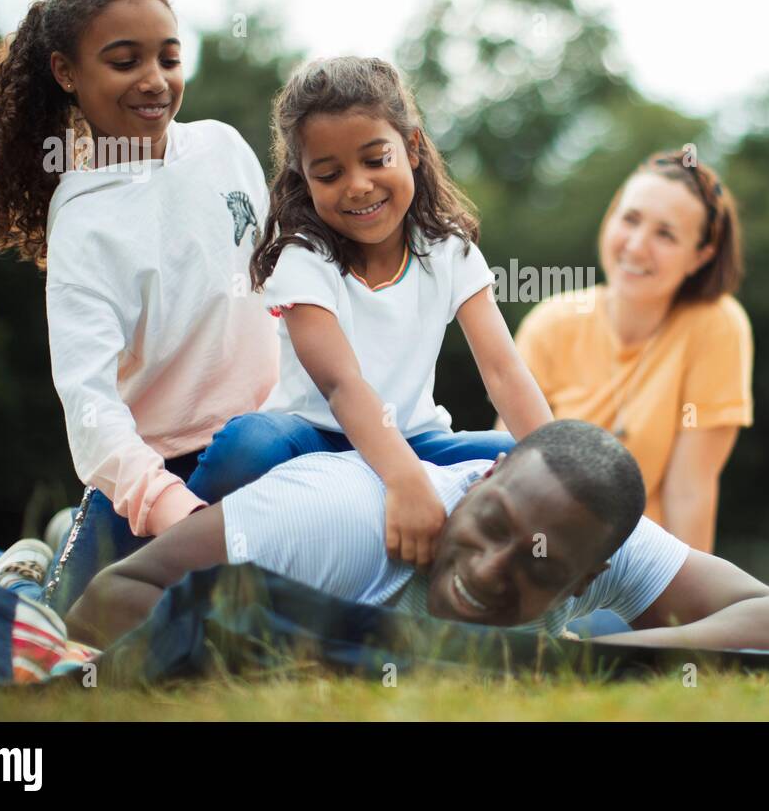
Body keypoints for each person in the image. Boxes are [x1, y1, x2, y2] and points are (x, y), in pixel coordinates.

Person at [0, 0, 279, 615]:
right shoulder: (86, 220)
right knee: (55, 622)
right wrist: (171, 508)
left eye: (169, 57)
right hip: (157, 475)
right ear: (67, 73)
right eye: (125, 61)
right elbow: (89, 404)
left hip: (267, 442)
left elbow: (288, 288)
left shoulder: (224, 149)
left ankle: (65, 534)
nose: (154, 80)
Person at [182, 57, 552, 569]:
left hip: (418, 439)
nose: (357, 186)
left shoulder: (449, 249)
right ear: (303, 177)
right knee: (247, 444)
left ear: (413, 149)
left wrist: (558, 474)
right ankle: (180, 552)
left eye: (376, 160)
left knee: (519, 455)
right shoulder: (304, 257)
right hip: (314, 438)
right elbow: (342, 384)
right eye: (329, 174)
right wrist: (405, 483)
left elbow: (503, 370)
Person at [65, 420, 769, 654]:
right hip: (210, 499)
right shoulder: (338, 521)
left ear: (588, 572)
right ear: (482, 481)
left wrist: (595, 654)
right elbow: (114, 593)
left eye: (539, 566)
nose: (490, 570)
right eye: (491, 526)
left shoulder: (591, 538)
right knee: (37, 594)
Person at [512, 150, 753, 555]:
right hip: (538, 556)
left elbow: (689, 491)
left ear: (700, 256)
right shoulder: (550, 322)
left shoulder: (715, 324)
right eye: (630, 220)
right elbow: (510, 462)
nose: (637, 247)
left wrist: (683, 611)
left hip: (636, 567)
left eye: (666, 234)